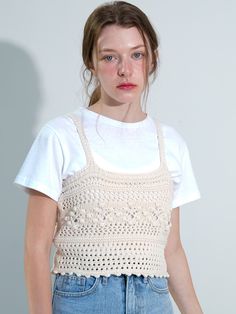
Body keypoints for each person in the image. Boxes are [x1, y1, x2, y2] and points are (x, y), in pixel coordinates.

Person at [14, 1, 203, 313]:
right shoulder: (61, 136)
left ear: (152, 59)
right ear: (91, 61)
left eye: (136, 54)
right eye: (109, 57)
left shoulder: (170, 143)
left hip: (153, 301)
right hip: (83, 300)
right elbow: (36, 246)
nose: (125, 69)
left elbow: (172, 248)